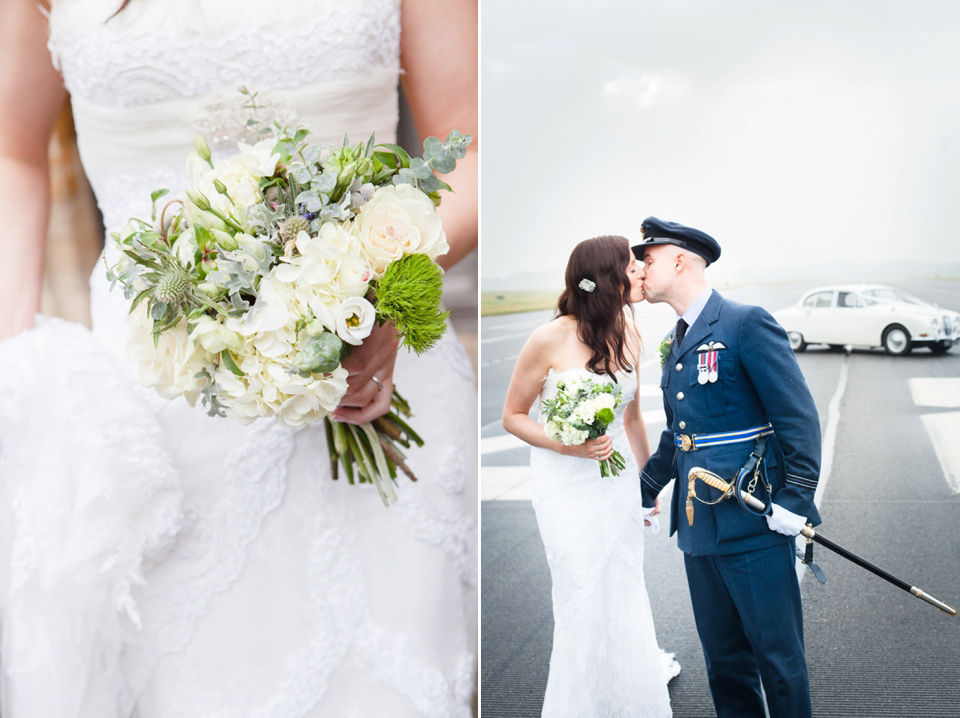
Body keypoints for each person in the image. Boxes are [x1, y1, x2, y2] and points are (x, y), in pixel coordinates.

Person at [0, 1, 477, 716]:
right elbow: (11, 147)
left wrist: (377, 293)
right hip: (140, 420)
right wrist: (16, 364)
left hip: (369, 369)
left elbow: (471, 143)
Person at [634, 216, 821, 718]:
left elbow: (797, 418)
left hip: (753, 520)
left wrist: (794, 500)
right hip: (699, 529)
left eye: (646, 259)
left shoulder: (744, 323)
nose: (639, 270)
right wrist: (646, 485)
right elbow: (681, 435)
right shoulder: (677, 341)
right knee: (725, 665)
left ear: (678, 259)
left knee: (778, 661)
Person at [502, 235, 677, 718]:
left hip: (615, 483)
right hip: (564, 485)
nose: (642, 271)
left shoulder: (631, 334)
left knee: (622, 580)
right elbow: (513, 416)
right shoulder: (549, 338)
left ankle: (626, 693)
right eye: (632, 265)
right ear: (606, 278)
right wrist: (568, 446)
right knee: (580, 584)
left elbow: (634, 418)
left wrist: (647, 485)